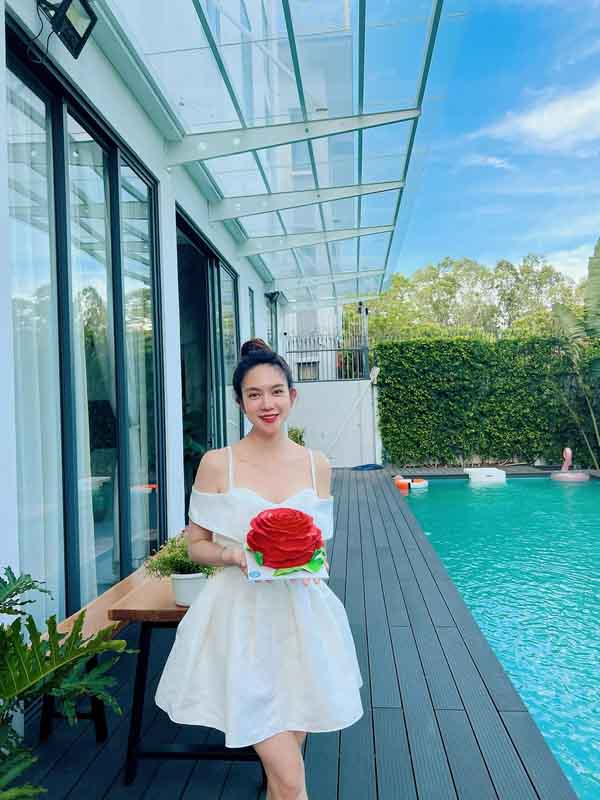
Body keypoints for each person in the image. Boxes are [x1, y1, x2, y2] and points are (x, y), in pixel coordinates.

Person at [155, 338, 363, 800]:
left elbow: (316, 543)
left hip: (302, 621)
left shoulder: (316, 465)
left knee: (283, 770)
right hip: (241, 621)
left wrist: (311, 560)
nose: (267, 404)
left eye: (276, 391)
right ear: (240, 402)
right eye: (254, 394)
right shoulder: (218, 464)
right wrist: (235, 556)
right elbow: (196, 546)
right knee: (290, 780)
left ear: (292, 395)